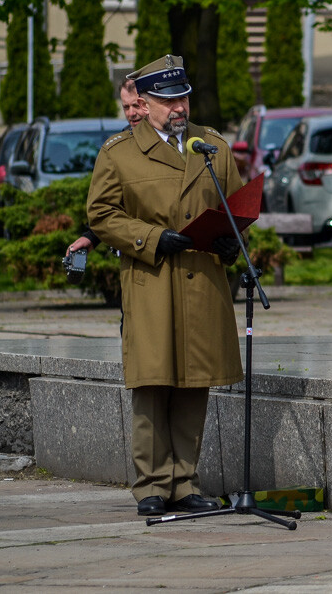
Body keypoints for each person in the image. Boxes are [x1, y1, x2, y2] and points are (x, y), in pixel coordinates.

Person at [87, 55, 244, 516]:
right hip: (153, 279)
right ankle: (152, 484)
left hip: (203, 281)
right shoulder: (119, 152)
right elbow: (102, 214)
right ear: (144, 102)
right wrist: (152, 238)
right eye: (168, 99)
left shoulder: (211, 145)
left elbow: (235, 203)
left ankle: (185, 481)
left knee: (196, 383)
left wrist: (235, 239)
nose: (179, 107)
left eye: (183, 97)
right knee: (153, 383)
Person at [68, 79, 149, 256]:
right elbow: (110, 204)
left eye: (136, 106)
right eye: (126, 107)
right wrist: (92, 236)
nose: (131, 113)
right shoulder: (120, 146)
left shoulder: (175, 139)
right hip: (138, 248)